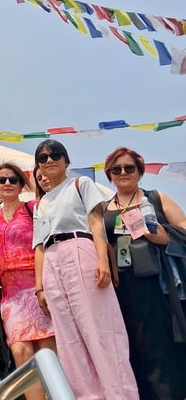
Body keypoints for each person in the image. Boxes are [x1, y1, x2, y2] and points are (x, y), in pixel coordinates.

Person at [32, 139, 137, 399]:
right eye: (42, 158)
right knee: (68, 339)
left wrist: (102, 259)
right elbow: (39, 247)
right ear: (38, 167)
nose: (49, 160)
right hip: (52, 261)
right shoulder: (40, 204)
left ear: (66, 160)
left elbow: (96, 222)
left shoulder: (80, 184)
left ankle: (119, 394)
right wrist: (39, 287)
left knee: (98, 327)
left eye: (55, 154)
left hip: (79, 248)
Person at [102, 147, 186, 400]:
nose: (123, 172)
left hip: (157, 284)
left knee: (162, 345)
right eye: (116, 169)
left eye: (129, 168)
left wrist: (165, 236)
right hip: (121, 289)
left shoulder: (156, 198)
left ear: (139, 171)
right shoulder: (103, 208)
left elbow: (183, 228)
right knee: (132, 348)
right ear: (109, 174)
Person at [0, 163, 55, 400]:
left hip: (37, 286)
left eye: (13, 179)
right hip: (10, 294)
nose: (7, 184)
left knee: (47, 351)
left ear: (22, 184)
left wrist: (43, 286)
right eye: (2, 180)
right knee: (20, 351)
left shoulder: (32, 208)